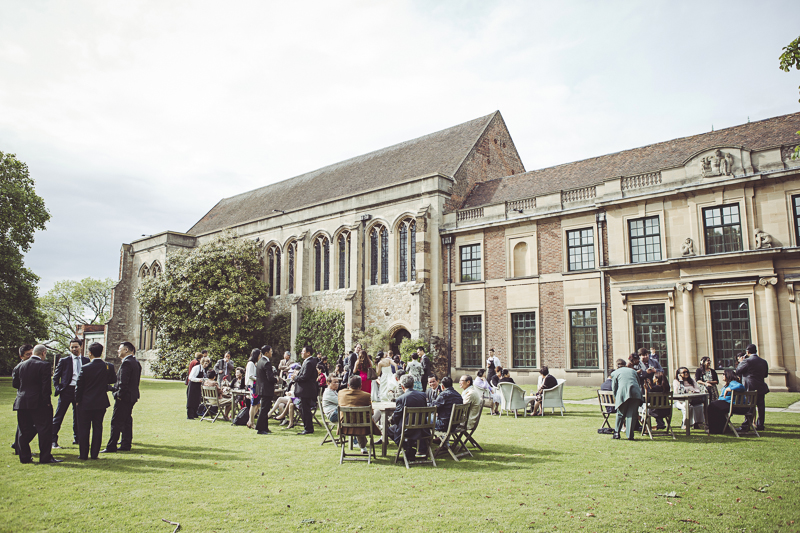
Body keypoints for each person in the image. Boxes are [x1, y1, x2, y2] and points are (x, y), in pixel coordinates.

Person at [13, 344, 60, 464]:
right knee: (44, 430)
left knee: (24, 430)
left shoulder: (20, 366)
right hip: (39, 403)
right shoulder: (44, 365)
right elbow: (46, 387)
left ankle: (24, 457)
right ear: (43, 353)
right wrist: (47, 403)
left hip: (22, 401)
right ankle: (45, 457)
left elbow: (15, 384)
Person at [75, 342, 116, 460]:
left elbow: (79, 386)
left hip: (85, 402)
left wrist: (77, 400)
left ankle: (83, 454)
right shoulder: (108, 366)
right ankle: (94, 454)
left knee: (84, 429)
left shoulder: (85, 368)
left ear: (90, 353)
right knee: (98, 428)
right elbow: (112, 379)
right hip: (101, 401)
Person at [102, 342, 141, 453]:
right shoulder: (135, 362)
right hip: (132, 396)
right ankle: (125, 443)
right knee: (126, 420)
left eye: (120, 349)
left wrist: (117, 394)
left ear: (126, 350)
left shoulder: (127, 363)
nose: (118, 351)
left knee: (116, 421)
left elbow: (123, 383)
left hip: (124, 397)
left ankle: (112, 446)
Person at [51, 338, 90, 449]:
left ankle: (77, 438)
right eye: (72, 347)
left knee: (79, 416)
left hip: (80, 391)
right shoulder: (64, 361)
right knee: (59, 416)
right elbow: (56, 377)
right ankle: (53, 440)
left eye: (76, 347)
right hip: (67, 390)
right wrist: (58, 388)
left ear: (81, 347)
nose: (74, 349)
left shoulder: (86, 361)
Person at [387, 375, 430, 458]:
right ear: (413, 385)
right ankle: (410, 448)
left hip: (407, 430)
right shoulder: (423, 395)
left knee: (389, 430)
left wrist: (392, 421)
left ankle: (408, 448)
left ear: (402, 386)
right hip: (422, 429)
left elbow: (396, 416)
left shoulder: (401, 398)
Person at [338, 375, 381, 454]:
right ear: (360, 386)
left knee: (357, 420)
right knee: (377, 412)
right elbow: (371, 413)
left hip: (345, 425)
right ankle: (364, 445)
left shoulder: (341, 393)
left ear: (348, 385)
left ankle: (363, 447)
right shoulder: (366, 396)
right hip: (363, 426)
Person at [736, 344, 769, 432]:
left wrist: (740, 362)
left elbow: (738, 371)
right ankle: (760, 425)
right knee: (761, 406)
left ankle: (746, 425)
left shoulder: (747, 361)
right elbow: (765, 375)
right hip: (761, 386)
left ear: (747, 351)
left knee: (750, 406)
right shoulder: (763, 361)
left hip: (750, 387)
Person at [707, 370, 748, 434]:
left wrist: (729, 389)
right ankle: (723, 428)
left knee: (712, 406)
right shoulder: (728, 384)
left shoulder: (733, 382)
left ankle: (715, 430)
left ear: (728, 375)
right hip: (731, 405)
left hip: (736, 406)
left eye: (724, 374)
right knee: (715, 406)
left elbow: (741, 387)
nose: (722, 375)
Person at [611, 358, 642, 440]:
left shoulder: (615, 373)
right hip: (635, 393)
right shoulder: (633, 371)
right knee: (632, 415)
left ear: (616, 366)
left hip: (623, 393)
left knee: (620, 413)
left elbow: (614, 388)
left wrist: (616, 398)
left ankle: (617, 433)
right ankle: (630, 435)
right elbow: (638, 383)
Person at [11, 344, 34, 456]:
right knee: (23, 427)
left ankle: (18, 445)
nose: (30, 356)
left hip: (28, 399)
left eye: (31, 353)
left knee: (24, 427)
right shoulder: (18, 368)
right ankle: (20, 447)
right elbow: (15, 384)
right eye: (27, 354)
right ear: (21, 357)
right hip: (23, 399)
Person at [294, 345, 319, 435]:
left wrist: (295, 378)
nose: (301, 353)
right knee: (303, 408)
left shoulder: (309, 362)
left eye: (303, 351)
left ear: (308, 353)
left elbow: (305, 377)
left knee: (306, 409)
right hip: (306, 390)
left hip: (306, 390)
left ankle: (308, 428)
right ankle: (307, 427)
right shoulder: (310, 361)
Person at [255, 345, 277, 435]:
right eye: (271, 351)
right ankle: (260, 429)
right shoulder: (266, 363)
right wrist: (276, 379)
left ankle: (265, 427)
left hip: (261, 388)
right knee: (264, 409)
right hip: (266, 389)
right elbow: (270, 378)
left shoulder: (260, 361)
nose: (272, 353)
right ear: (266, 353)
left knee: (265, 408)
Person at [245, 349, 260, 428]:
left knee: (258, 404)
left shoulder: (254, 364)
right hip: (252, 385)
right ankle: (252, 422)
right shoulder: (250, 364)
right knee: (253, 404)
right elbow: (251, 376)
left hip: (256, 385)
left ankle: (250, 420)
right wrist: (259, 378)